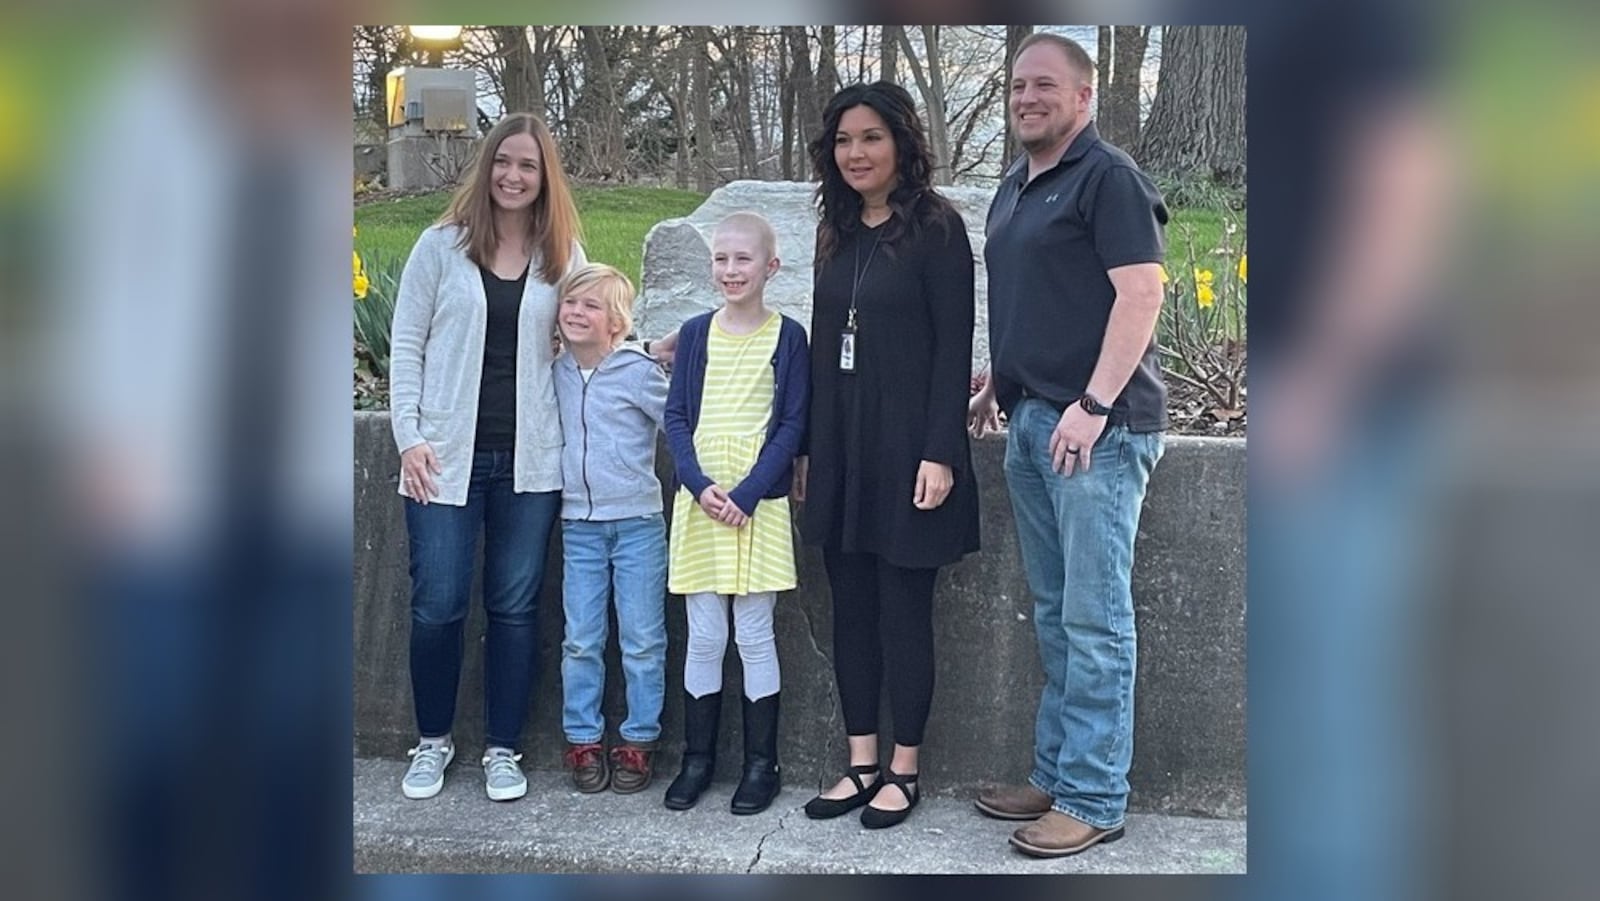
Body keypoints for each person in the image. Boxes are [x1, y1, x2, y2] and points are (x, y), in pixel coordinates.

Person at [966, 33, 1168, 857]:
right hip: (1033, 422)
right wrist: (999, 382)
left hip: (1098, 432)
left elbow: (1141, 294)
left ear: (1084, 97)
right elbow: (1037, 299)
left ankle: (1093, 793)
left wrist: (1093, 402)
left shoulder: (1109, 178)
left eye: (1045, 85)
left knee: (1094, 619)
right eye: (1017, 85)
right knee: (1055, 613)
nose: (1027, 97)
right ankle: (1055, 771)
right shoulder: (1017, 183)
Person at [798, 81, 980, 830]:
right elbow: (818, 347)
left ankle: (905, 769)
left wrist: (941, 452)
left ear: (902, 143)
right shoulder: (835, 230)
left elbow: (952, 349)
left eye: (870, 137)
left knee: (904, 611)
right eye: (843, 141)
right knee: (852, 612)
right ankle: (861, 761)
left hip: (911, 451)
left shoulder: (937, 228)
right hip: (843, 449)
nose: (855, 153)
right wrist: (809, 447)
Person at [388, 112, 585, 802]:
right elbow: (405, 346)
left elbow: (599, 332)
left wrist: (658, 354)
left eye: (528, 166)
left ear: (544, 176)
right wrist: (409, 437)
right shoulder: (440, 246)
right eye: (504, 162)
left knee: (514, 605)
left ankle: (505, 747)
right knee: (437, 602)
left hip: (531, 462)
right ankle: (433, 739)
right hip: (443, 459)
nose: (513, 176)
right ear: (486, 167)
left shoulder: (562, 254)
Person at [661, 212, 810, 815]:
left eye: (743, 259)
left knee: (753, 633)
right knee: (703, 634)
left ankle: (760, 763)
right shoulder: (694, 334)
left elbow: (794, 423)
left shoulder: (788, 336)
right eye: (721, 259)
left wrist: (748, 493)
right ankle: (697, 759)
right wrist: (699, 486)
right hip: (701, 506)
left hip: (758, 504)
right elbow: (675, 418)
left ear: (770, 267)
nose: (730, 270)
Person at [551, 264, 671, 795]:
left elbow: (678, 421)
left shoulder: (637, 371)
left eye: (591, 306)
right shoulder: (552, 371)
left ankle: (640, 738)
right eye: (571, 302)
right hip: (578, 524)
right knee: (580, 638)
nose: (577, 312)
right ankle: (581, 736)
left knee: (643, 638)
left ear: (617, 323)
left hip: (638, 523)